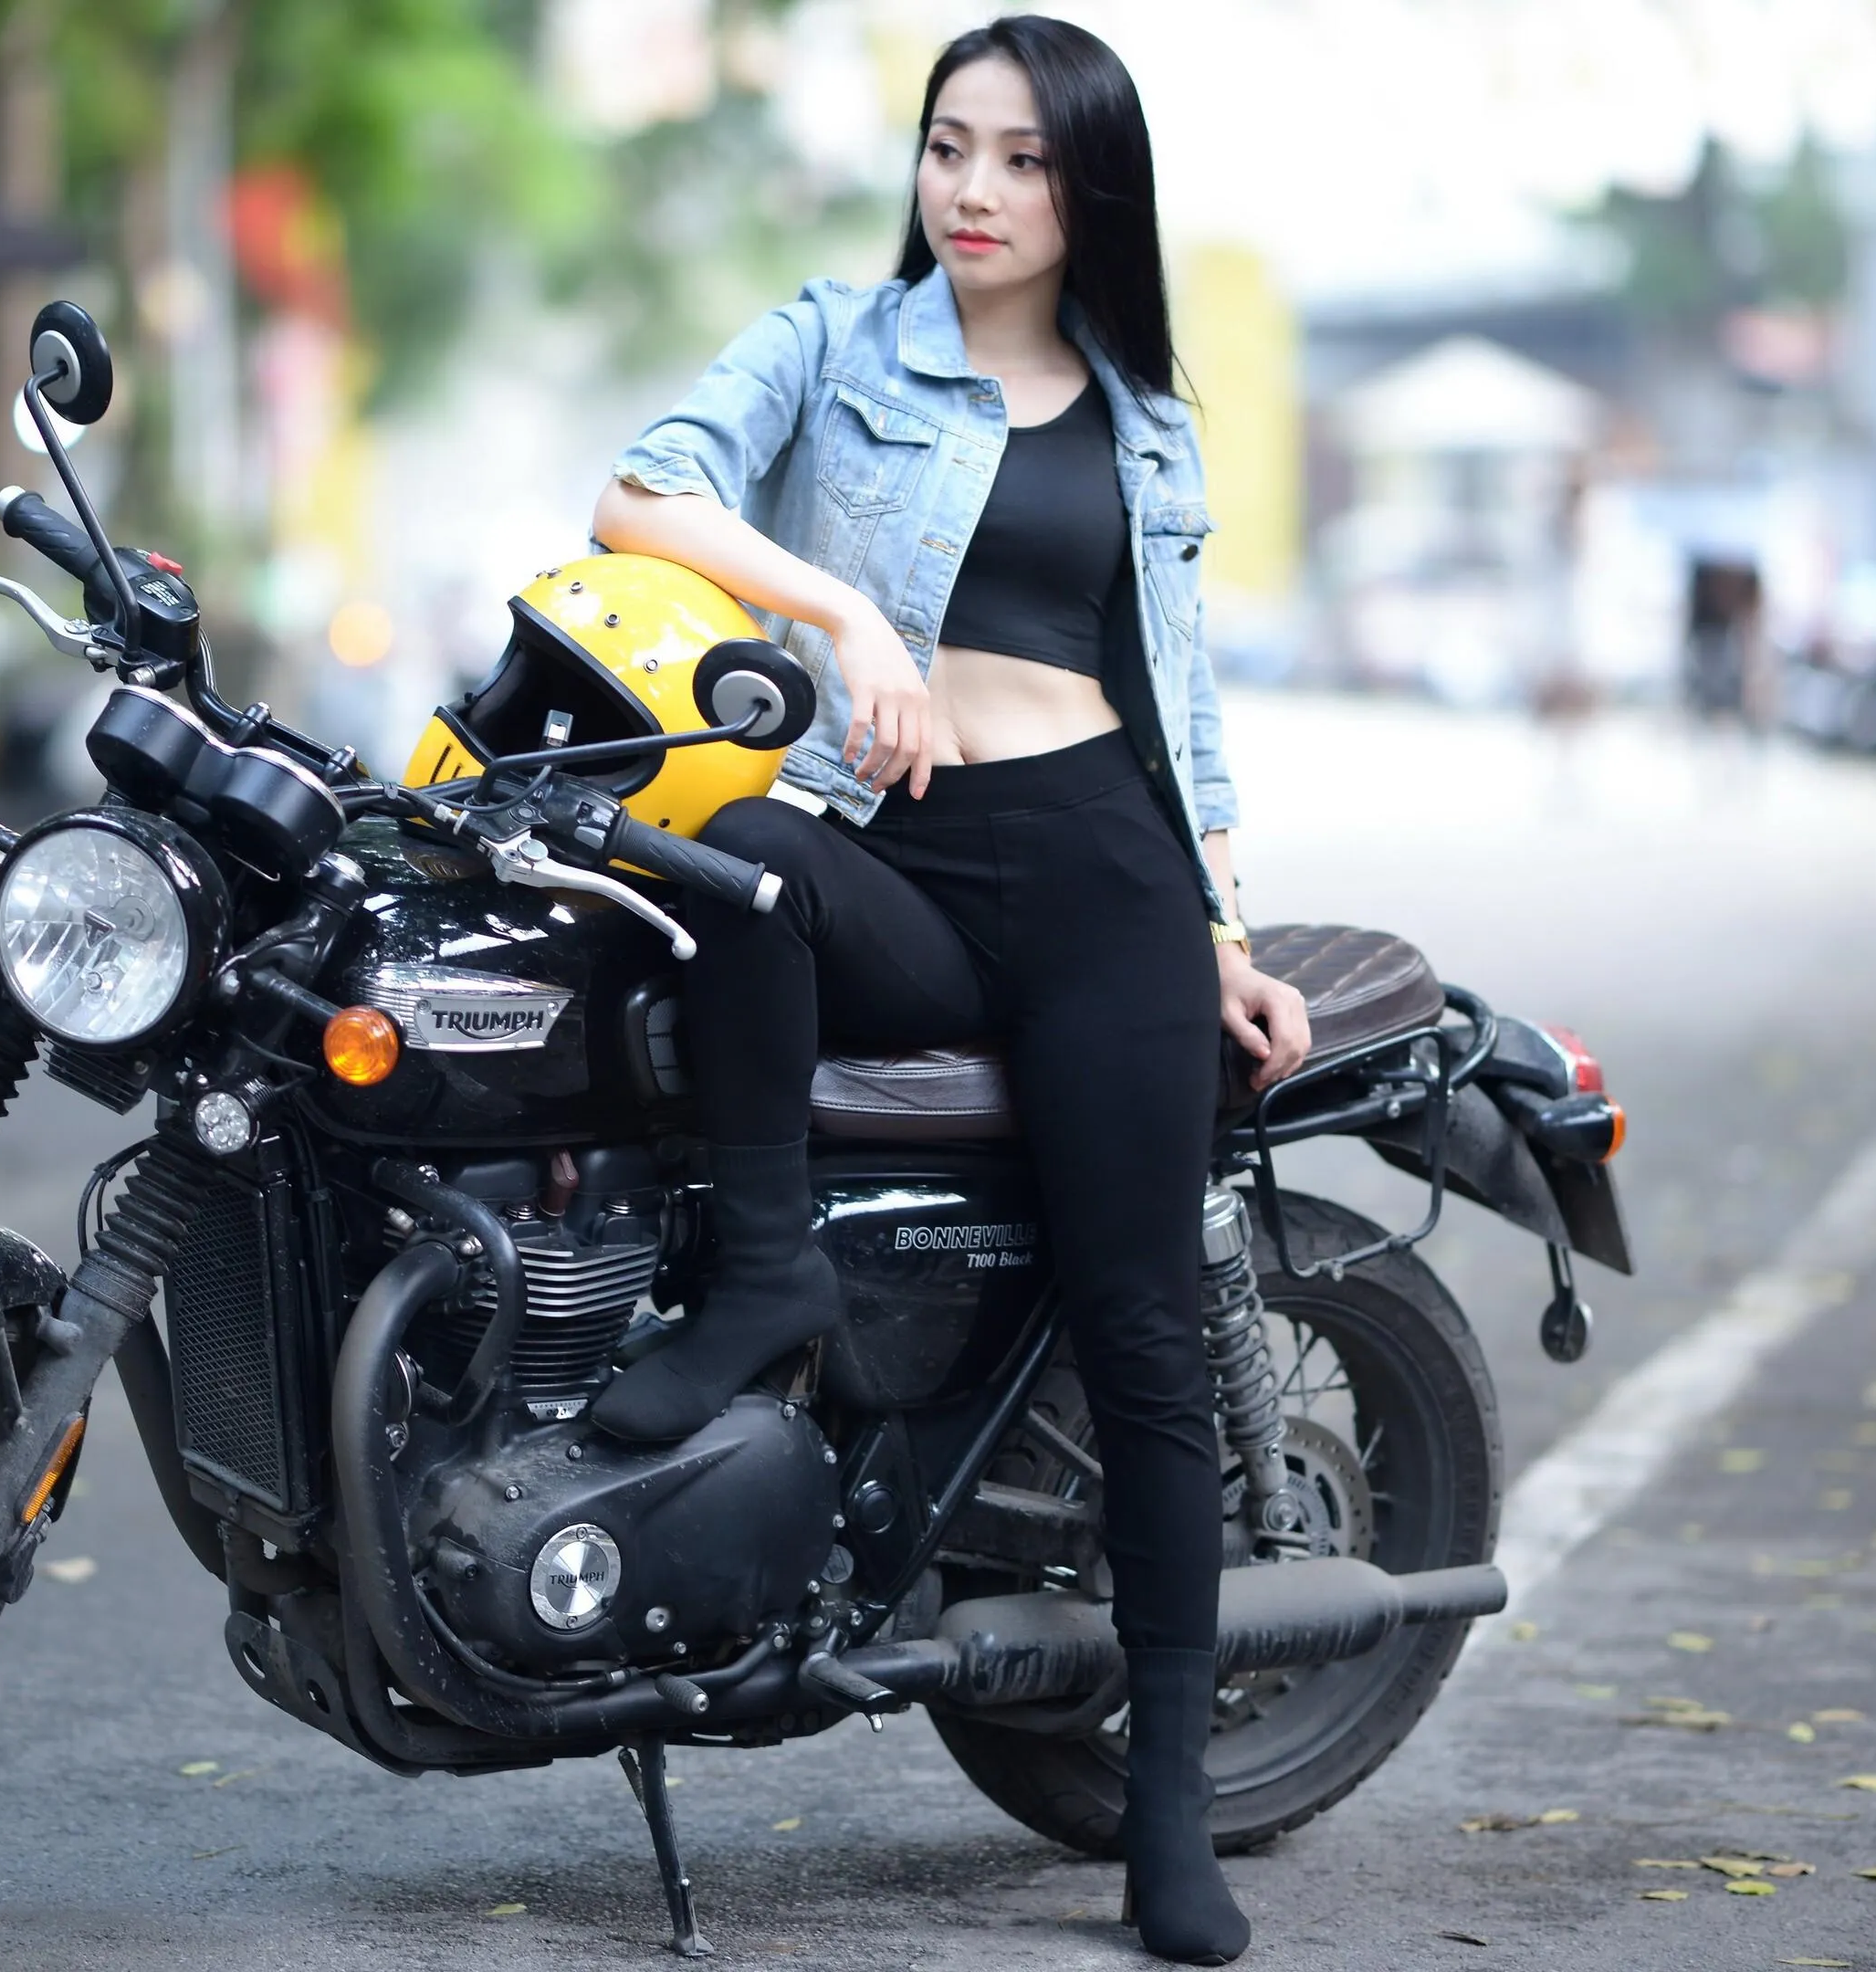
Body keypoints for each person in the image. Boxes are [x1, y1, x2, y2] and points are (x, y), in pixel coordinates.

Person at [583, 18, 1310, 1964]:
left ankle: (1169, 1814)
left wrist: (1226, 934)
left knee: (1140, 1330)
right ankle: (767, 1280)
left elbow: (1179, 707)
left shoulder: (1144, 424)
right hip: (891, 844)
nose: (973, 190)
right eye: (947, 147)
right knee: (728, 864)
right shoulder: (833, 341)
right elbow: (642, 497)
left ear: (1091, 191)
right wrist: (843, 614)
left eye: (1022, 159)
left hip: (1100, 879)